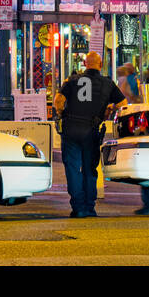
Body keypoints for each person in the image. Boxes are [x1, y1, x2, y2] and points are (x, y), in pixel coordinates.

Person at [53, 51, 123, 218]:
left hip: (71, 128)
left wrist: (61, 113)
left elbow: (58, 100)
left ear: (85, 64)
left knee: (72, 168)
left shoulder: (72, 80)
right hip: (91, 129)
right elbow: (122, 103)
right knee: (90, 170)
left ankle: (78, 207)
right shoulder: (107, 83)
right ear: (100, 65)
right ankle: (89, 207)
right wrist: (108, 109)